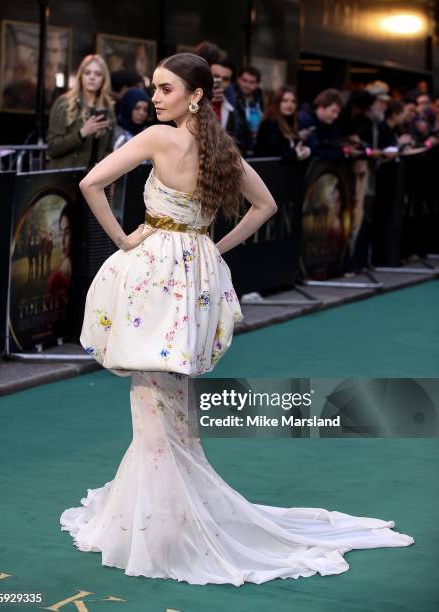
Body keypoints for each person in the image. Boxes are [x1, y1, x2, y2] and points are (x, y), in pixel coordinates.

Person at [59, 52, 414, 586]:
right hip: (194, 278)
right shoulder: (221, 148)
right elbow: (265, 205)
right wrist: (212, 248)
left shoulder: (159, 140)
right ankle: (160, 523)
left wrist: (126, 240)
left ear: (195, 94)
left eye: (165, 88)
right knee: (170, 407)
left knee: (154, 406)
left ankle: (163, 535)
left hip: (156, 274)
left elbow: (90, 184)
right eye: (154, 88)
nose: (154, 97)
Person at [46, 54, 115, 169]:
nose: (92, 77)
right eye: (87, 73)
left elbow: (108, 149)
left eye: (98, 74)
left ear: (104, 79)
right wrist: (82, 133)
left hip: (94, 179)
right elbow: (52, 148)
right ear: (80, 76)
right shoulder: (64, 104)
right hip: (65, 177)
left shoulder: (108, 107)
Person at [254, 86, 311, 160]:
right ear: (276, 102)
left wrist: (304, 150)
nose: (289, 105)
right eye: (285, 100)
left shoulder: (291, 122)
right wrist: (296, 153)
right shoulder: (270, 123)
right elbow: (276, 151)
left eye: (293, 101)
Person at [230, 66, 264, 152]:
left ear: (257, 84)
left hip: (257, 145)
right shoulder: (231, 97)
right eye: (244, 80)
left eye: (252, 82)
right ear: (238, 79)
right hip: (238, 146)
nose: (247, 85)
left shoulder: (260, 99)